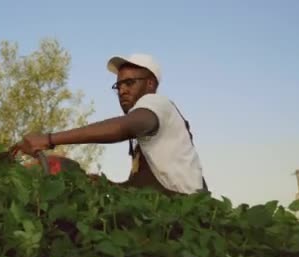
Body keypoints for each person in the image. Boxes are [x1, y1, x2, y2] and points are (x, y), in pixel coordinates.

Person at [12, 53, 207, 196]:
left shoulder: (157, 103)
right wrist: (104, 184)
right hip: (168, 208)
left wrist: (49, 139)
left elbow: (123, 127)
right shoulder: (147, 140)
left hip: (185, 209)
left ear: (150, 84)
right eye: (118, 85)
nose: (122, 90)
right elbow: (145, 189)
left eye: (129, 83)